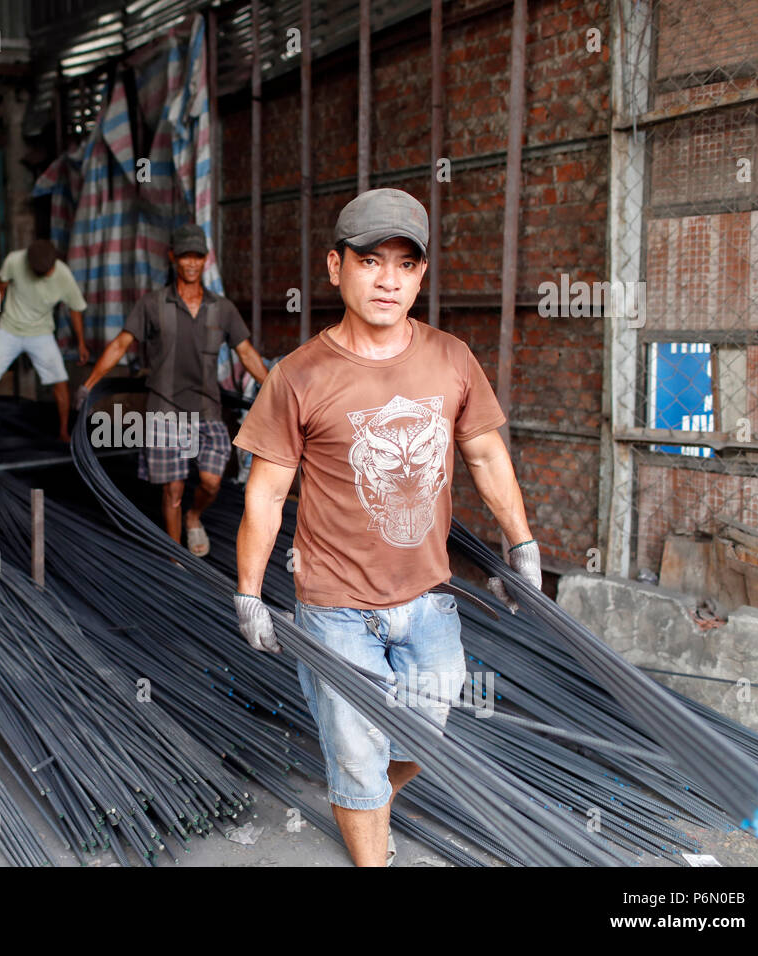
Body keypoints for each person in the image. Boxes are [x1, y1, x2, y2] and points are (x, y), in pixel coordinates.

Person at [230, 188, 543, 866]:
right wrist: (248, 593)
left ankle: (374, 795)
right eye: (371, 262)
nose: (389, 280)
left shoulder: (452, 358)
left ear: (422, 276)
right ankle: (372, 839)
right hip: (335, 606)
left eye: (406, 265)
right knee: (357, 746)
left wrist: (522, 544)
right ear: (335, 266)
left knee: (423, 735)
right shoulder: (298, 376)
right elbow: (267, 494)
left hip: (429, 598)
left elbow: (486, 454)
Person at [80, 224, 271, 556]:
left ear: (206, 259)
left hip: (208, 410)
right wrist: (90, 384)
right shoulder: (153, 305)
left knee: (211, 482)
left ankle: (194, 516)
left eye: (198, 256)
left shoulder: (222, 309)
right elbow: (121, 344)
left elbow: (246, 353)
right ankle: (175, 555)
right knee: (173, 489)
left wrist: (273, 389)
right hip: (164, 410)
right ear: (173, 258)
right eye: (185, 256)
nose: (192, 263)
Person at [0, 240, 89, 442]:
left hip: (41, 333)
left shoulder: (64, 276)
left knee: (60, 380)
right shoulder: (14, 260)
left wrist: (81, 342)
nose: (43, 275)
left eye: (47, 271)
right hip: (9, 328)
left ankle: (64, 432)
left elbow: (75, 309)